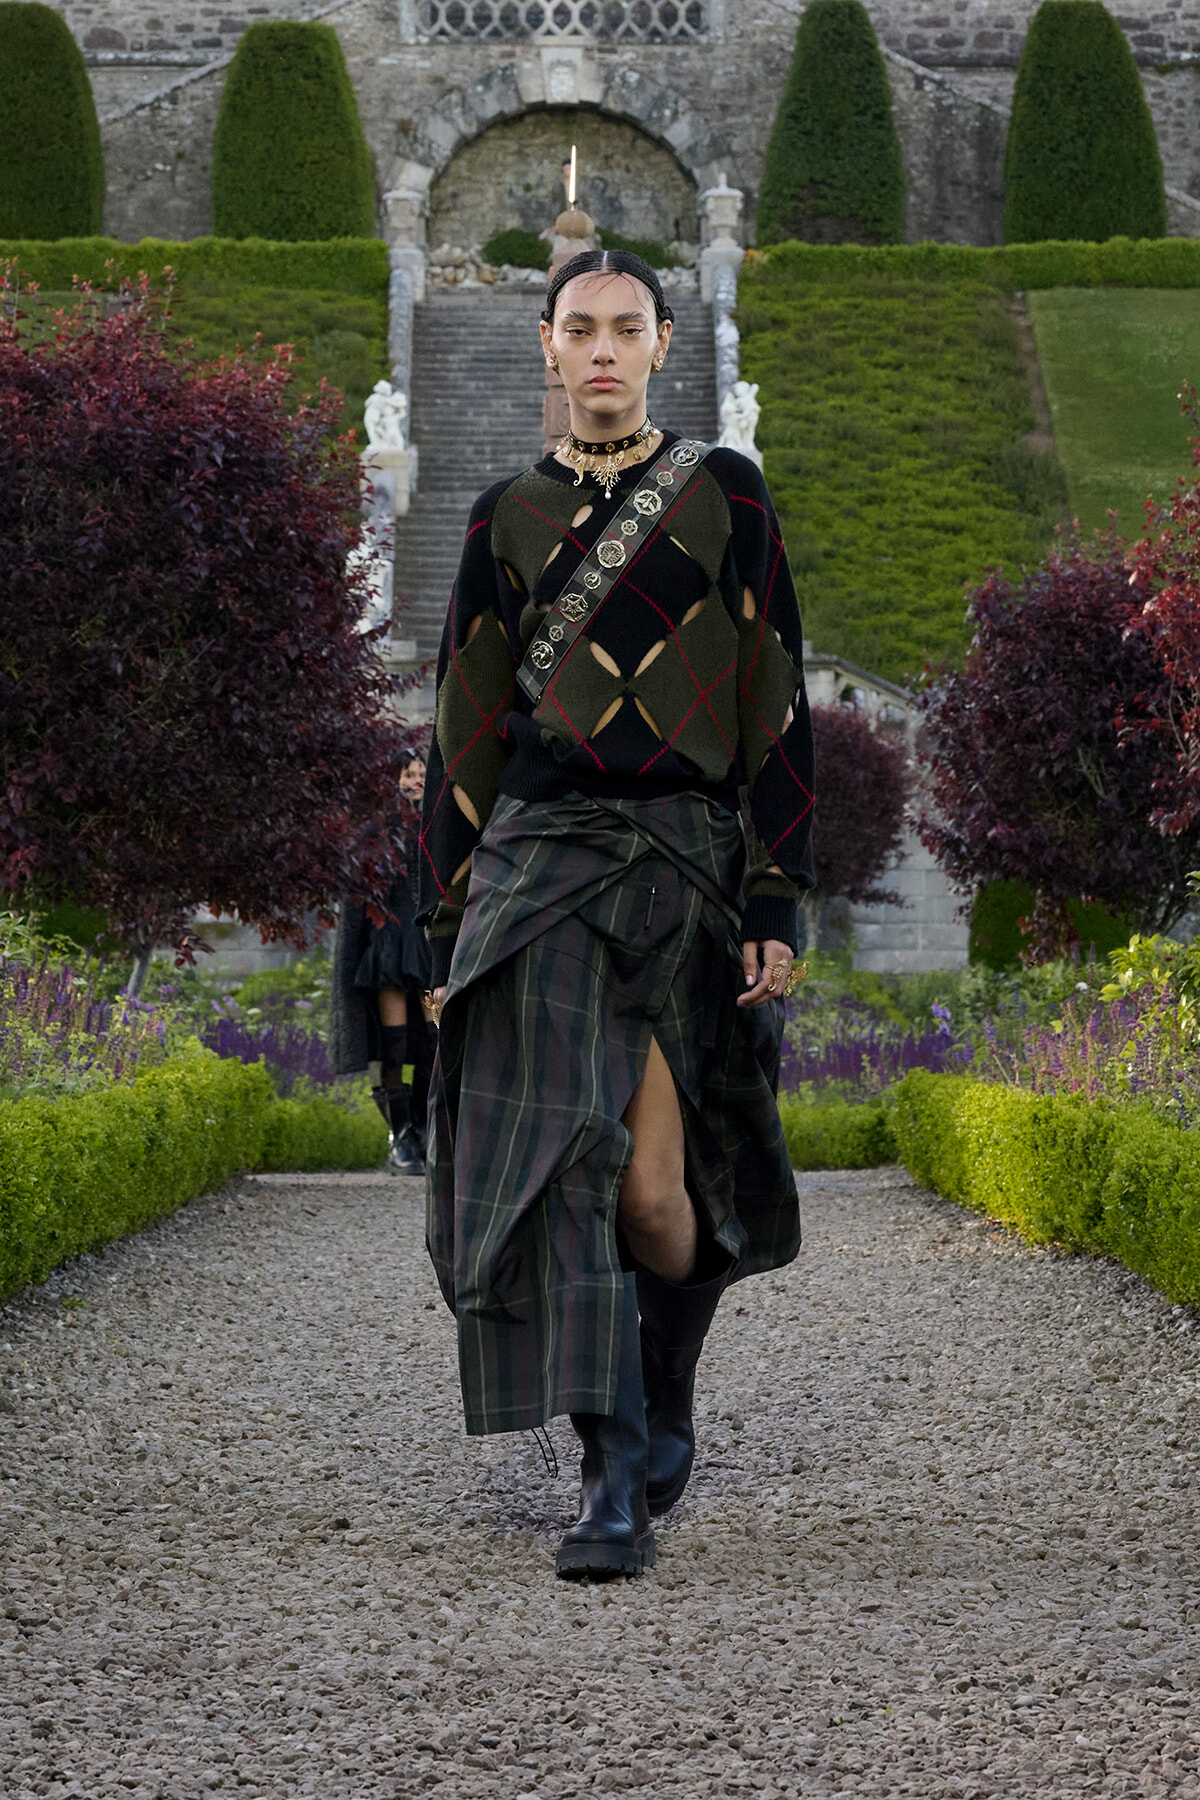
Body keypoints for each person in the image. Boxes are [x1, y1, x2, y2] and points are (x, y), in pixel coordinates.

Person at [417, 248, 815, 1579]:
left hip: (683, 865)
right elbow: (466, 728)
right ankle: (608, 1477)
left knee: (653, 1194)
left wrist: (776, 892)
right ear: (545, 343)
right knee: (565, 1170)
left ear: (661, 345)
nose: (601, 349)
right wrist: (441, 922)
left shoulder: (728, 495)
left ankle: (666, 1389)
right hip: (540, 864)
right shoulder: (502, 518)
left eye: (625, 329)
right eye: (579, 328)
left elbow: (774, 698)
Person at [331, 746, 436, 1175]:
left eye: (421, 772)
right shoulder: (373, 834)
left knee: (434, 1038)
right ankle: (401, 1134)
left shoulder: (438, 826)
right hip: (389, 953)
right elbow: (356, 901)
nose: (415, 780)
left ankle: (425, 1128)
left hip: (428, 954)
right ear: (393, 780)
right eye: (408, 773)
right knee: (393, 1044)